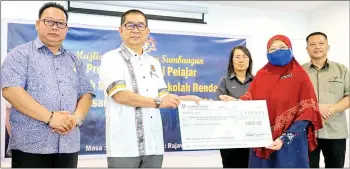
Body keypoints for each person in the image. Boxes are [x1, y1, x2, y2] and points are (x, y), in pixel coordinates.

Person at [99, 9, 203, 168]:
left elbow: (163, 96)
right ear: (120, 30)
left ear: (147, 31)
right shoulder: (111, 58)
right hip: (124, 147)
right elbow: (120, 95)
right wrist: (158, 102)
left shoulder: (154, 63)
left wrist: (188, 100)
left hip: (154, 145)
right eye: (130, 25)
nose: (135, 30)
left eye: (140, 26)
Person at [1, 2, 95, 168]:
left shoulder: (73, 60)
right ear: (38, 24)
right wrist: (51, 118)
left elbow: (86, 93)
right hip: (30, 148)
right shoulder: (20, 54)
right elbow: (11, 91)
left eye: (60, 23)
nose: (55, 27)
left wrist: (76, 118)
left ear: (66, 28)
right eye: (49, 21)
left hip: (68, 146)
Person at [220, 35, 323, 168]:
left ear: (290, 49)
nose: (277, 51)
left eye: (282, 47)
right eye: (272, 48)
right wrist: (235, 102)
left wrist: (285, 138)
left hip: (291, 144)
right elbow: (251, 100)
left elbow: (307, 111)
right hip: (263, 140)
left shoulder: (300, 76)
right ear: (267, 52)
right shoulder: (262, 75)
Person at [302, 32, 349, 168]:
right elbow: (293, 100)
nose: (317, 47)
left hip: (335, 131)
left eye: (321, 43)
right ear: (307, 49)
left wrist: (331, 109)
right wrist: (316, 108)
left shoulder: (342, 70)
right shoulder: (299, 71)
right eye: (312, 44)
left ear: (328, 47)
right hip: (306, 132)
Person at [216, 46, 254, 168]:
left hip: (252, 135)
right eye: (237, 57)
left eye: (244, 57)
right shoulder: (224, 81)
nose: (241, 60)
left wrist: (235, 102)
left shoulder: (257, 81)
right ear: (232, 61)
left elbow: (260, 106)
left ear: (249, 60)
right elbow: (219, 104)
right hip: (229, 136)